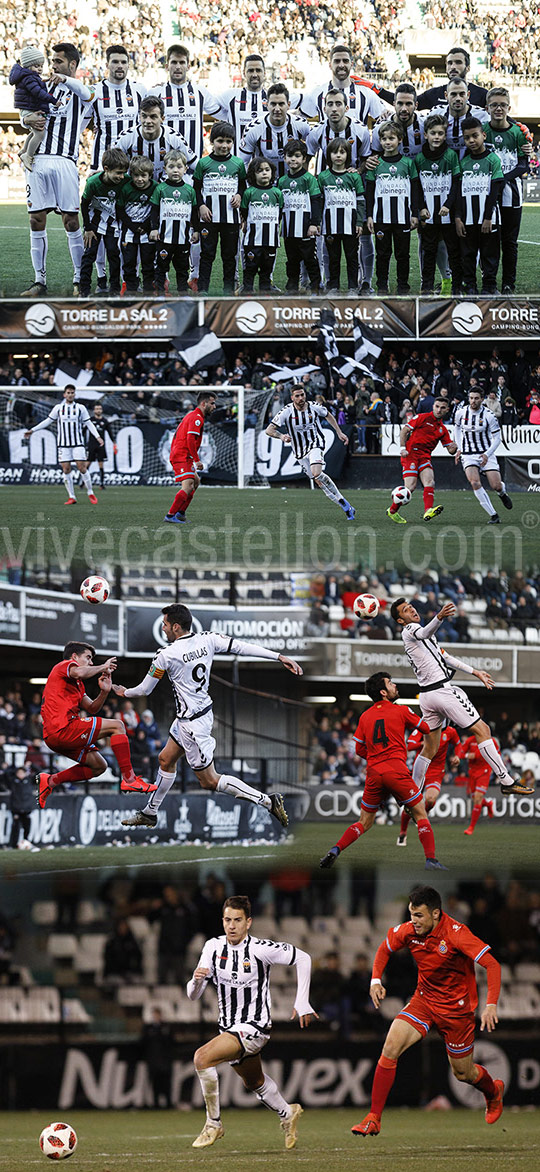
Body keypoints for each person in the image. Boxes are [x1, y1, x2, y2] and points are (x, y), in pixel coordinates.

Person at [116, 603, 303, 830]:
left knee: (210, 781)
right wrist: (278, 656)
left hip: (194, 726)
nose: (163, 628)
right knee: (165, 759)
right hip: (194, 716)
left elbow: (144, 690)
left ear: (176, 627)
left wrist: (122, 691)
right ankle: (150, 812)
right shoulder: (208, 639)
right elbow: (241, 647)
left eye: (165, 624)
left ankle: (267, 801)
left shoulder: (165, 655)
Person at [352, 885, 503, 1137]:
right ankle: (373, 1118)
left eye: (419, 916)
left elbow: (492, 964)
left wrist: (491, 1004)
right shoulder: (410, 931)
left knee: (463, 1073)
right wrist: (375, 980)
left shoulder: (457, 933)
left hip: (457, 1012)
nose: (414, 922)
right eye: (412, 915)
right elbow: (384, 948)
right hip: (424, 1001)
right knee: (390, 1047)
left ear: (435, 914)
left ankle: (492, 1092)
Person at [186, 894, 317, 1149]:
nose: (231, 925)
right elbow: (193, 995)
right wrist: (196, 980)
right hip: (229, 1027)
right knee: (254, 1082)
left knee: (201, 1058)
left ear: (249, 922)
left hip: (255, 1027)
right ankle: (288, 1113)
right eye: (227, 920)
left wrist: (301, 1002)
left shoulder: (260, 949)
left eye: (237, 920)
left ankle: (214, 1123)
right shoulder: (212, 947)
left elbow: (304, 958)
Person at [389, 596, 533, 797]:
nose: (411, 610)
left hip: (427, 696)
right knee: (483, 730)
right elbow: (423, 632)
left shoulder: (423, 636)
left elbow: (446, 657)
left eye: (411, 606)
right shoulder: (411, 630)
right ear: (400, 621)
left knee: (430, 749)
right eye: (405, 610)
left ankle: (410, 793)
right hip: (442, 692)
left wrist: (476, 672)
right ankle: (506, 780)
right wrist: (439, 617)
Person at [319, 673, 447, 871]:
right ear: (383, 692)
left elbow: (359, 749)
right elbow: (426, 728)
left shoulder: (365, 716)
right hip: (396, 770)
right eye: (391, 683)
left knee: (364, 822)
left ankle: (336, 848)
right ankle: (431, 860)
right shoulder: (402, 710)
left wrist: (375, 757)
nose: (395, 686)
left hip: (374, 772)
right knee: (421, 813)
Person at [35, 640, 155, 808]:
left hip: (57, 736)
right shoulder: (64, 665)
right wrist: (102, 666)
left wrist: (104, 692)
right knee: (118, 726)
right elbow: (79, 672)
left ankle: (51, 780)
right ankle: (129, 779)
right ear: (75, 656)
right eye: (88, 657)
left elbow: (92, 708)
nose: (91, 662)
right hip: (63, 729)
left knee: (99, 766)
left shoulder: (76, 685)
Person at [20, 42, 91, 298]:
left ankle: (78, 280)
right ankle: (39, 281)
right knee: (35, 219)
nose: (53, 66)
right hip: (37, 160)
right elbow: (24, 112)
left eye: (58, 61)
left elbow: (89, 96)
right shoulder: (43, 87)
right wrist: (25, 119)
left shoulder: (81, 91)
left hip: (65, 161)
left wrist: (65, 79)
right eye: (53, 61)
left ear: (72, 64)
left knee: (71, 221)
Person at [266, 382, 355, 519]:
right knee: (318, 480)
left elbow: (328, 415)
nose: (301, 398)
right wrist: (281, 436)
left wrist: (339, 432)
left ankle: (343, 503)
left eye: (302, 395)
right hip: (299, 451)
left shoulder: (314, 406)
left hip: (315, 443)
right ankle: (345, 504)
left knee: (316, 473)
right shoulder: (286, 411)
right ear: (292, 398)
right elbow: (269, 430)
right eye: (297, 396)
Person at [365, 120, 420, 295]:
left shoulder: (408, 164)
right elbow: (370, 192)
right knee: (383, 254)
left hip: (403, 217)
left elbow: (414, 190)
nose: (387, 142)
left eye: (391, 138)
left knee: (402, 255)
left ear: (400, 140)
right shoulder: (375, 164)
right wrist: (369, 216)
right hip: (381, 217)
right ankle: (382, 285)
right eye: (384, 139)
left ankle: (403, 285)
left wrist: (414, 213)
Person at [24, 384, 103, 505]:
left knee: (82, 468)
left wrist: (97, 436)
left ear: (74, 394)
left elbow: (89, 424)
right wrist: (33, 430)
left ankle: (90, 492)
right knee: (66, 469)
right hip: (63, 444)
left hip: (77, 443)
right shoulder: (58, 408)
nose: (70, 395)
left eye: (72, 393)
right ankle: (72, 496)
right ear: (64, 394)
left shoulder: (81, 408)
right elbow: (48, 421)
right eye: (68, 393)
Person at [484, 88, 530, 294]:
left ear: (509, 108)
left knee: (510, 243)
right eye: (494, 104)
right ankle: (490, 283)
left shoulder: (518, 132)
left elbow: (523, 166)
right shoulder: (482, 131)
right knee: (490, 242)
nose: (498, 108)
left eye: (502, 104)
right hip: (488, 197)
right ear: (487, 108)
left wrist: (501, 179)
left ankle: (508, 284)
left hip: (512, 196)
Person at [193, 121, 247, 295]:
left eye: (228, 141)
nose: (224, 145)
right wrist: (201, 205)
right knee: (207, 254)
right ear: (211, 141)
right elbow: (196, 188)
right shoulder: (204, 163)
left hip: (230, 218)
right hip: (209, 217)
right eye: (220, 141)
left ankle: (228, 290)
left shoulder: (238, 163)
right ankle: (203, 289)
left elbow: (242, 186)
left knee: (229, 256)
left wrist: (239, 195)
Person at [387, 396, 457, 524]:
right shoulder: (422, 417)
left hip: (425, 456)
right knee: (410, 487)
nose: (439, 410)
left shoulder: (443, 429)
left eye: (442, 408)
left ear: (447, 410)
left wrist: (454, 447)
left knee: (430, 482)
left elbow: (450, 450)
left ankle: (428, 510)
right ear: (433, 406)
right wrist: (403, 448)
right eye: (437, 406)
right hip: (411, 454)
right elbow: (404, 431)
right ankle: (392, 511)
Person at [456, 118, 505, 296]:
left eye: (475, 136)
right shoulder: (463, 163)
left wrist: (487, 217)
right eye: (467, 137)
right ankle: (470, 285)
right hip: (468, 218)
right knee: (468, 254)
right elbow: (460, 193)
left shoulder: (493, 159)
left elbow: (495, 191)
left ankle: (489, 286)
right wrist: (458, 218)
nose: (472, 141)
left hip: (488, 218)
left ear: (483, 135)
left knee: (489, 254)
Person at [415, 114, 462, 294]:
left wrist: (448, 205)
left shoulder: (450, 156)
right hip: (429, 215)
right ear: (425, 135)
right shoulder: (419, 159)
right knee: (429, 252)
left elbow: (456, 183)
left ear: (445, 135)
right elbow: (417, 186)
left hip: (447, 213)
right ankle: (426, 287)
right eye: (433, 133)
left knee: (453, 251)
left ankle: (457, 287)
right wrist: (421, 208)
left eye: (440, 133)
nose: (436, 137)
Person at [149, 44, 220, 159]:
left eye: (182, 63)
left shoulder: (200, 92)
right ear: (167, 66)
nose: (178, 67)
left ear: (188, 66)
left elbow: (223, 113)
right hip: (164, 165)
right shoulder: (155, 93)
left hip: (193, 166)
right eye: (174, 62)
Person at [454, 388, 512, 522]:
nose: (473, 401)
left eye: (476, 398)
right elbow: (457, 428)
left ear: (482, 399)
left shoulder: (489, 415)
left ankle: (502, 493)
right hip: (468, 454)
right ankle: (494, 515)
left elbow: (497, 438)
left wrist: (487, 454)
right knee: (474, 482)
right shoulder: (461, 413)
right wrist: (460, 448)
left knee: (496, 485)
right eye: (471, 398)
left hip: (485, 453)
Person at [397, 724, 461, 846]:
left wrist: (458, 756)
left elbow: (458, 744)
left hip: (436, 772)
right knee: (410, 805)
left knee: (430, 800)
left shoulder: (450, 731)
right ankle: (402, 833)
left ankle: (422, 814)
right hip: (420, 771)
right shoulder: (424, 727)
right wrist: (425, 744)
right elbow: (410, 746)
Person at [79, 147, 129, 297]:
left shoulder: (126, 180)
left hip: (112, 223)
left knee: (114, 254)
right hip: (94, 222)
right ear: (106, 169)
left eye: (123, 172)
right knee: (89, 255)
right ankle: (84, 290)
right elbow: (84, 203)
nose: (122, 176)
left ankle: (114, 289)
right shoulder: (93, 182)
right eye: (118, 173)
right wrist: (87, 228)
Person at [317, 138, 364, 294]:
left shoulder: (354, 176)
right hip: (330, 224)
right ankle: (333, 286)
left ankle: (353, 287)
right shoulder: (323, 177)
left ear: (348, 155)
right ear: (328, 155)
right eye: (334, 152)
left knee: (352, 257)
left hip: (350, 224)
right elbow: (320, 202)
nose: (338, 156)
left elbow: (360, 201)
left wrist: (359, 222)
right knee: (333, 257)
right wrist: (318, 222)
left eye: (342, 152)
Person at [149, 149, 198, 295]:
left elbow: (194, 212)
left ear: (185, 169)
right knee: (161, 266)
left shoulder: (189, 190)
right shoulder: (161, 188)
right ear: (165, 169)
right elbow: (154, 210)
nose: (175, 170)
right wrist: (154, 228)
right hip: (164, 237)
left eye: (179, 167)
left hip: (183, 238)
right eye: (171, 167)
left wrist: (195, 230)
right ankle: (160, 291)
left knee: (182, 267)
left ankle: (182, 291)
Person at [163, 390, 216, 524]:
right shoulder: (196, 418)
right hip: (182, 455)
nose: (214, 407)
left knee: (195, 482)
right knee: (188, 486)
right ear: (204, 404)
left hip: (183, 454)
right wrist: (197, 460)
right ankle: (170, 515)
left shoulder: (194, 415)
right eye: (212, 403)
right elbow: (190, 440)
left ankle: (181, 513)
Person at [301, 44, 390, 123]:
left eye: (345, 61)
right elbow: (300, 116)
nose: (341, 65)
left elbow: (384, 120)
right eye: (337, 61)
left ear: (351, 64)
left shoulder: (367, 93)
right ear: (330, 65)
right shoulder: (317, 92)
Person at [114, 95, 196, 180]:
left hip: (164, 189)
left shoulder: (173, 137)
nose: (148, 121)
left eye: (153, 117)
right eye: (144, 116)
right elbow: (113, 166)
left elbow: (194, 163)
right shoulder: (126, 137)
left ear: (162, 119)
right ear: (139, 117)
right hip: (135, 189)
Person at [239, 83, 311, 179]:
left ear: (288, 105)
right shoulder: (253, 128)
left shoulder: (301, 125)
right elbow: (243, 162)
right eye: (273, 104)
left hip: (293, 183)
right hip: (265, 186)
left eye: (281, 104)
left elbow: (312, 149)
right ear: (266, 105)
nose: (277, 109)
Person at [277, 139, 321, 294]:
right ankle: (292, 285)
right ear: (284, 158)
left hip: (306, 228)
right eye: (290, 156)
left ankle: (315, 286)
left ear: (304, 159)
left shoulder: (309, 179)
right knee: (292, 260)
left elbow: (316, 202)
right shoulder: (281, 181)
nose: (293, 159)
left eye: (297, 156)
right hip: (289, 230)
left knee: (310, 259)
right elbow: (279, 206)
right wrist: (277, 224)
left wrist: (314, 224)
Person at [9, 46, 60, 171]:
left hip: (28, 108)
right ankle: (28, 155)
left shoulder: (28, 77)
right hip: (30, 108)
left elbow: (35, 85)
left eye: (41, 66)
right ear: (28, 66)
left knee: (34, 132)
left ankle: (24, 151)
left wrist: (43, 82)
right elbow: (37, 92)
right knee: (39, 133)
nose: (40, 69)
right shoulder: (29, 78)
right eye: (36, 66)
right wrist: (53, 100)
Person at [240, 158, 283, 292]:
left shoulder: (277, 193)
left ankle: (265, 291)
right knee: (250, 268)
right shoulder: (249, 193)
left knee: (267, 268)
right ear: (253, 174)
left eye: (267, 170)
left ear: (272, 172)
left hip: (271, 240)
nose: (264, 173)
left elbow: (279, 212)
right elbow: (244, 211)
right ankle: (247, 290)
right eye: (259, 171)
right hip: (253, 240)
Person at [116, 155, 158, 294]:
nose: (140, 179)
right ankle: (131, 289)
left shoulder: (155, 188)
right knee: (129, 262)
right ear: (131, 174)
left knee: (148, 262)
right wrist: (132, 226)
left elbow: (157, 209)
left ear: (150, 175)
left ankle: (148, 289)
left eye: (143, 176)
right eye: (136, 175)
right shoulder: (126, 188)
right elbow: (120, 210)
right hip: (129, 231)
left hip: (147, 232)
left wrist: (146, 225)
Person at [431, 80, 489, 158]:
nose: (458, 98)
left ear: (468, 95)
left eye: (462, 94)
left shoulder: (482, 115)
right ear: (446, 95)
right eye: (453, 94)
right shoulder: (436, 113)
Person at [417, 47, 488, 110]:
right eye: (450, 63)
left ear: (468, 68)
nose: (453, 67)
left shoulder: (482, 95)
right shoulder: (434, 94)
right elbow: (410, 104)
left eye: (458, 62)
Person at [456, 734, 496, 835]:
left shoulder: (490, 741)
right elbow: (461, 752)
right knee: (475, 799)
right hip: (472, 772)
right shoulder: (470, 740)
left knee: (477, 798)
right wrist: (461, 756)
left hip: (484, 771)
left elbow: (477, 755)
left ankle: (471, 827)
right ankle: (488, 804)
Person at [86, 402, 117, 490]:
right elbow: (84, 431)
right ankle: (83, 482)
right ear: (94, 410)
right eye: (97, 409)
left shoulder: (105, 421)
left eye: (100, 409)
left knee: (101, 464)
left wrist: (114, 442)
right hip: (91, 445)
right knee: (87, 464)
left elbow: (110, 433)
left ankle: (101, 484)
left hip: (101, 445)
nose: (98, 410)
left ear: (102, 410)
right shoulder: (90, 420)